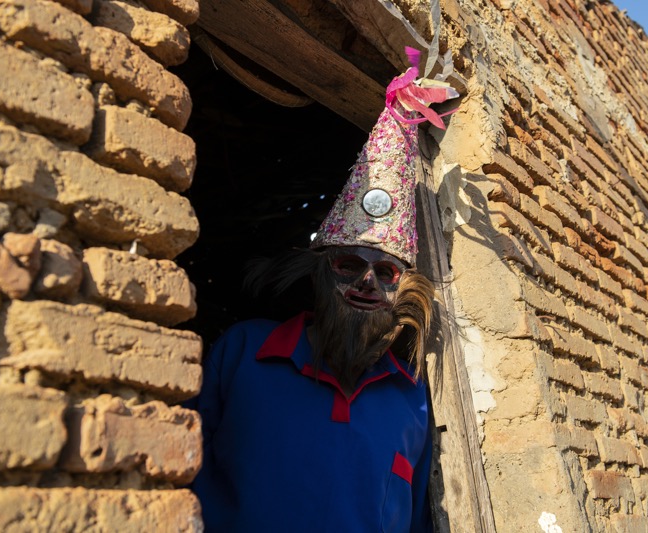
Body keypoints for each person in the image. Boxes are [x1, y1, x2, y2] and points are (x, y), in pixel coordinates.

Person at [188, 48, 458, 532]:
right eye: (349, 264)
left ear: (404, 291)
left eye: (387, 273)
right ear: (321, 273)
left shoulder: (412, 396)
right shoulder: (244, 350)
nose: (367, 280)